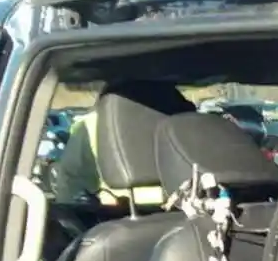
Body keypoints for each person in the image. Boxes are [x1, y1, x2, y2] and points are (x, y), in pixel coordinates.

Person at [48, 81, 191, 206]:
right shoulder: (191, 122)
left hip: (118, 218)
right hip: (191, 209)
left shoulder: (90, 126)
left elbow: (69, 191)